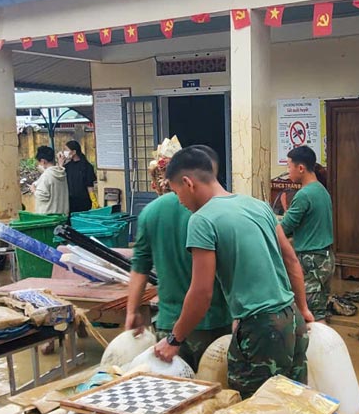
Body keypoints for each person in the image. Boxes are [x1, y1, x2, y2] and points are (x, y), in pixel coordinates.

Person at [152, 147, 314, 398]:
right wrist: (302, 309)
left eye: (177, 193)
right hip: (292, 320)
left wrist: (174, 340)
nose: (180, 202)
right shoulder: (257, 206)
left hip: (261, 330)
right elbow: (291, 261)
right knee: (293, 404)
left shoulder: (202, 220)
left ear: (188, 183)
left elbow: (202, 292)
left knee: (255, 411)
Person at [125, 145, 232, 372]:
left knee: (175, 395)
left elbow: (140, 267)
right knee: (218, 397)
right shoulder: (220, 212)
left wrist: (132, 311)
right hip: (215, 324)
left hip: (170, 326)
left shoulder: (151, 213)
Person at [281, 146, 334, 320]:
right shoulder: (321, 190)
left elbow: (284, 228)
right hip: (325, 259)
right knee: (318, 312)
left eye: (289, 166)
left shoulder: (304, 195)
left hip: (311, 261)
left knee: (308, 316)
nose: (288, 171)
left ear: (301, 168)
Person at [61, 140, 98, 214]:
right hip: (70, 201)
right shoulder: (67, 166)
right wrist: (61, 163)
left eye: (66, 150)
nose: (64, 152)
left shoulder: (87, 167)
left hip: (83, 201)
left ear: (74, 152)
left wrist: (94, 200)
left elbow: (90, 186)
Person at [30, 146, 69, 215]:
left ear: (43, 161)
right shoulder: (61, 173)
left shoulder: (46, 175)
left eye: (39, 162)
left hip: (48, 217)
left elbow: (42, 196)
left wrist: (33, 190)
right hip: (61, 215)